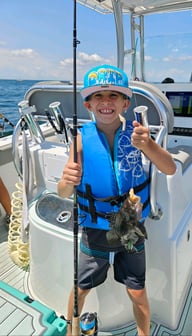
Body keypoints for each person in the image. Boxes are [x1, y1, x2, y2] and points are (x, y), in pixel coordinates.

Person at [58, 64, 176, 336]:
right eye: (98, 96)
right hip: (95, 229)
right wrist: (66, 180)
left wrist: (149, 146)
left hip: (131, 226)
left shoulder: (138, 135)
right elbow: (64, 193)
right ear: (88, 104)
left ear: (125, 103)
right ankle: (70, 331)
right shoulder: (80, 139)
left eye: (114, 96)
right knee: (80, 288)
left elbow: (169, 168)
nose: (106, 102)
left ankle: (143, 333)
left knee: (137, 290)